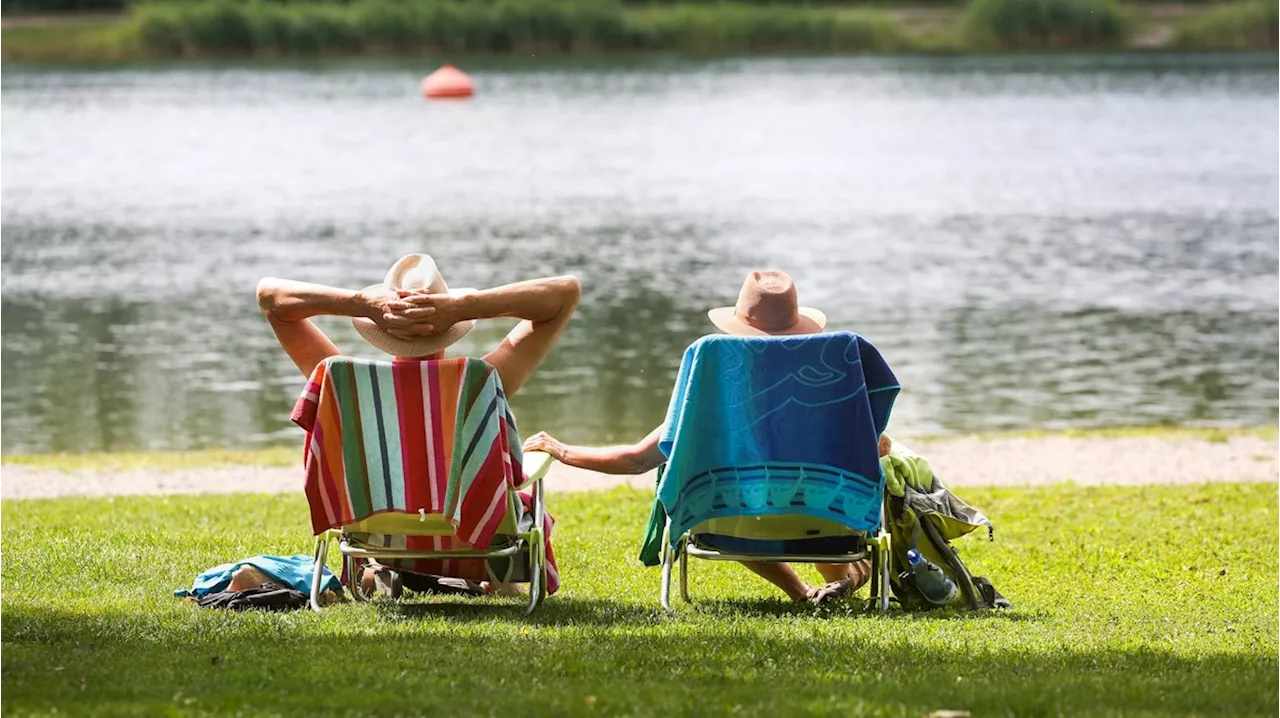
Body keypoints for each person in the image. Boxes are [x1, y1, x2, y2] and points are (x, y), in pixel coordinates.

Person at [523, 270, 884, 605]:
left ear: (738, 331)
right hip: (830, 534)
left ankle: (801, 592)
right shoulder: (831, 402)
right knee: (818, 498)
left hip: (727, 529)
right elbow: (873, 451)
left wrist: (563, 450)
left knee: (730, 501)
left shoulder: (712, 395)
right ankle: (850, 574)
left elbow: (637, 460)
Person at [257, 253, 580, 597]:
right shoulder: (477, 382)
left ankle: (379, 567)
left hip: (377, 540)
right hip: (473, 540)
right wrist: (462, 306)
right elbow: (566, 293)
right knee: (522, 496)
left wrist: (360, 303)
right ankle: (500, 579)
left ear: (378, 327)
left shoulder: (342, 383)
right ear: (450, 330)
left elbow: (269, 296)